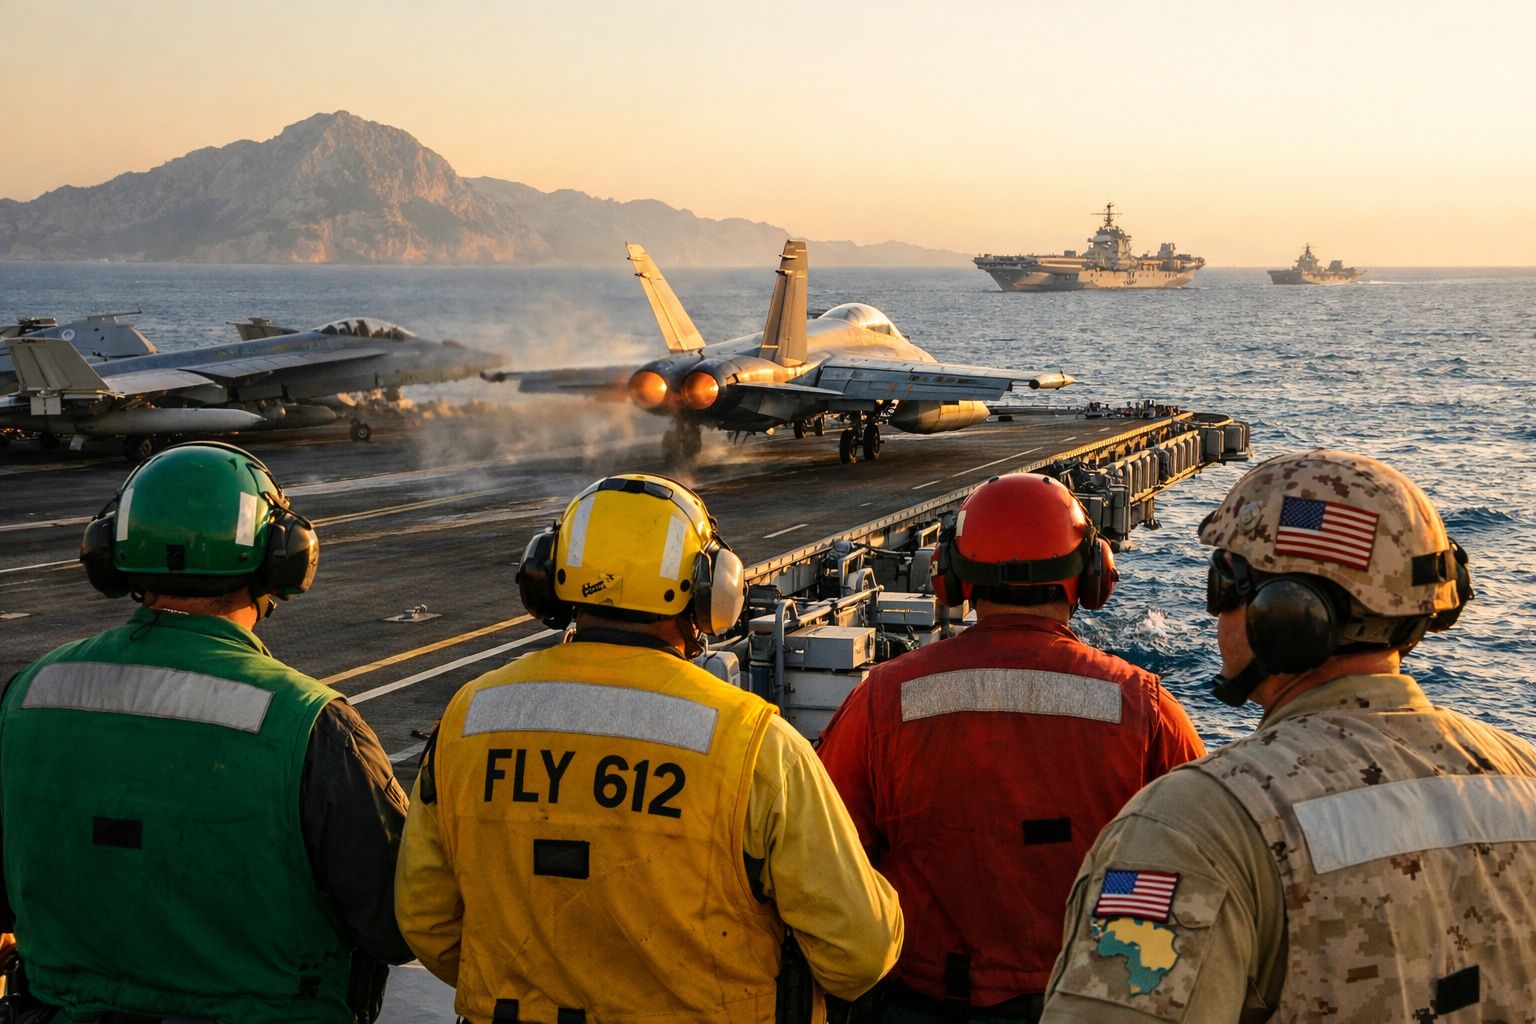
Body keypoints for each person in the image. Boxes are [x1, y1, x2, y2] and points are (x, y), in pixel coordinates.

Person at [1042, 448, 1536, 1021]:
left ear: (1284, 616)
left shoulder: (1196, 826)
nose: (1214, 611)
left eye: (1224, 583)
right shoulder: (1522, 780)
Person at [394, 472, 903, 1024]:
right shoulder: (753, 744)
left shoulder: (471, 718)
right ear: (711, 589)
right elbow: (859, 953)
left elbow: (425, 919)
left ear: (548, 577)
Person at [0, 441, 412, 1024]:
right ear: (282, 557)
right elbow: (397, 926)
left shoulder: (28, 693)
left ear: (110, 552)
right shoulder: (314, 725)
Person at [817, 473, 1206, 1023]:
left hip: (922, 1000)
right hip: (1090, 1003)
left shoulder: (883, 700)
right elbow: (1203, 866)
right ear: (1092, 574)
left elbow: (828, 862)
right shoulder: (1144, 707)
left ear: (952, 577)